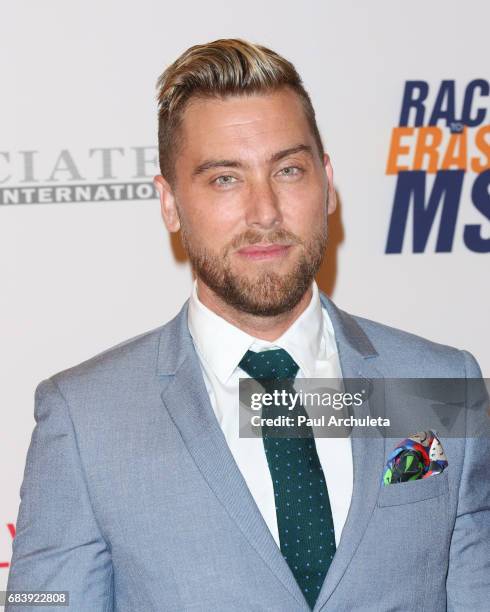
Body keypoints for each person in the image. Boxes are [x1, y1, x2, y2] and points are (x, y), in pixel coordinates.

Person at [6, 38, 489, 612]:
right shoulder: (86, 419)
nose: (265, 212)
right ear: (169, 202)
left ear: (327, 182)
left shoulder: (438, 382)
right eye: (225, 179)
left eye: (288, 170)